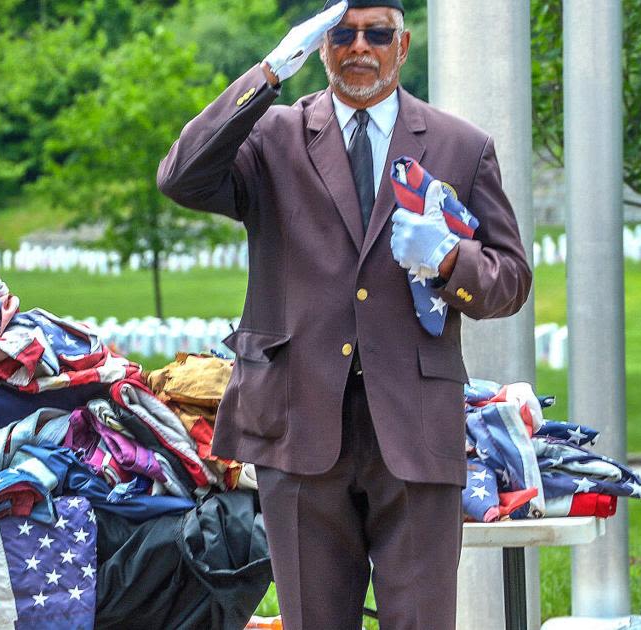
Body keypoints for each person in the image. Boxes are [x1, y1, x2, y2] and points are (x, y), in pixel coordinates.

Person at [157, 1, 532, 628]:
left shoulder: (460, 146)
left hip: (413, 425)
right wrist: (271, 71)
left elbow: (512, 281)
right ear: (321, 46)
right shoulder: (272, 135)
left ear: (403, 45)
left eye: (377, 33)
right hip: (298, 420)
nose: (360, 47)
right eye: (342, 34)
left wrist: (448, 259)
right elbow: (182, 177)